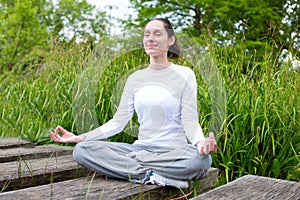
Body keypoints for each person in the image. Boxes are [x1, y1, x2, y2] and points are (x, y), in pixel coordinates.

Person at [49, 18, 217, 189]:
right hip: (140, 149)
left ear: (170, 40)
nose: (150, 39)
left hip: (173, 151)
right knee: (82, 150)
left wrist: (200, 142)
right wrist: (80, 137)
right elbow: (118, 122)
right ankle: (151, 176)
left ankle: (130, 166)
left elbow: (189, 119)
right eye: (147, 34)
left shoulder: (185, 74)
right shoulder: (135, 78)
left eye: (157, 34)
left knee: (201, 160)